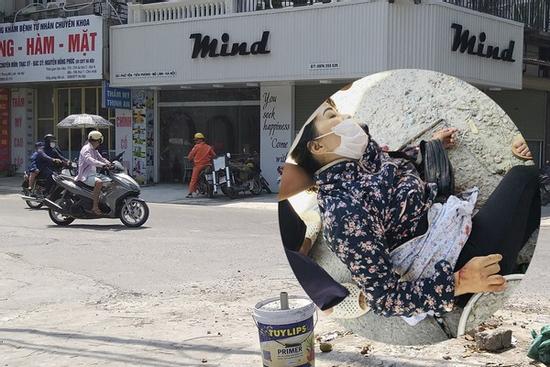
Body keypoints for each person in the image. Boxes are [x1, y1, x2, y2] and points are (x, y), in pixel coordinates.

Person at [278, 98, 540, 320]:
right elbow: (383, 299)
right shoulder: (344, 215)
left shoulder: (356, 153)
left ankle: (505, 268)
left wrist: (428, 148)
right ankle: (484, 286)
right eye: (332, 115)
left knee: (527, 203)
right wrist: (461, 280)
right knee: (523, 178)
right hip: (451, 261)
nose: (346, 116)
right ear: (317, 146)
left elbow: (391, 160)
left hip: (444, 223)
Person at [75, 131, 112, 215]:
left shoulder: (94, 149)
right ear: (97, 140)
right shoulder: (86, 149)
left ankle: (103, 201)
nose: (99, 143)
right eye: (99, 141)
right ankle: (95, 207)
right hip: (85, 175)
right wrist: (102, 165)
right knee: (99, 183)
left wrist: (109, 163)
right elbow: (90, 160)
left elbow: (101, 158)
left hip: (93, 174)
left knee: (110, 182)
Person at [186, 132, 216, 198]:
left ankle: (190, 193)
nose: (195, 141)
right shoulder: (208, 147)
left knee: (194, 179)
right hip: (208, 165)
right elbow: (214, 155)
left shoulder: (196, 147)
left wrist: (189, 159)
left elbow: (190, 156)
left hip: (198, 166)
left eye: (196, 140)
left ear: (200, 139)